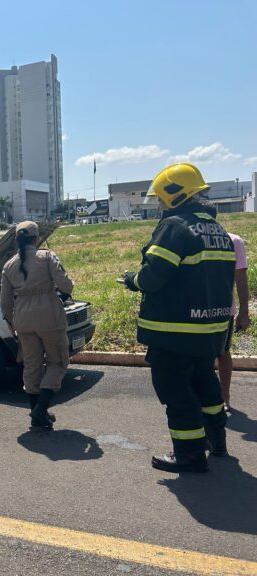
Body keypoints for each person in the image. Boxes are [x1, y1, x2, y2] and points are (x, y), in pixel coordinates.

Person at [122, 163, 235, 473]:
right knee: (205, 383)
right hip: (209, 329)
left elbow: (154, 276)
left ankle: (188, 453)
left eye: (160, 199)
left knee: (176, 391)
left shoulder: (175, 227)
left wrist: (132, 279)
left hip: (174, 331)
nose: (159, 205)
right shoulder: (219, 231)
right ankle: (217, 441)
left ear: (175, 195)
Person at [0, 221, 74, 430]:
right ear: (36, 238)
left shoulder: (8, 266)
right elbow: (66, 285)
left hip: (23, 320)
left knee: (31, 366)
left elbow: (5, 304)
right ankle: (40, 409)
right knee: (57, 362)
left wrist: (13, 325)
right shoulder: (47, 256)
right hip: (49, 317)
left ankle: (36, 416)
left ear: (16, 240)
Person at [218, 232, 251, 411]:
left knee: (223, 352)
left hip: (224, 310)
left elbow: (241, 279)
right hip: (196, 310)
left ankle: (225, 396)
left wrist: (244, 312)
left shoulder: (234, 241)